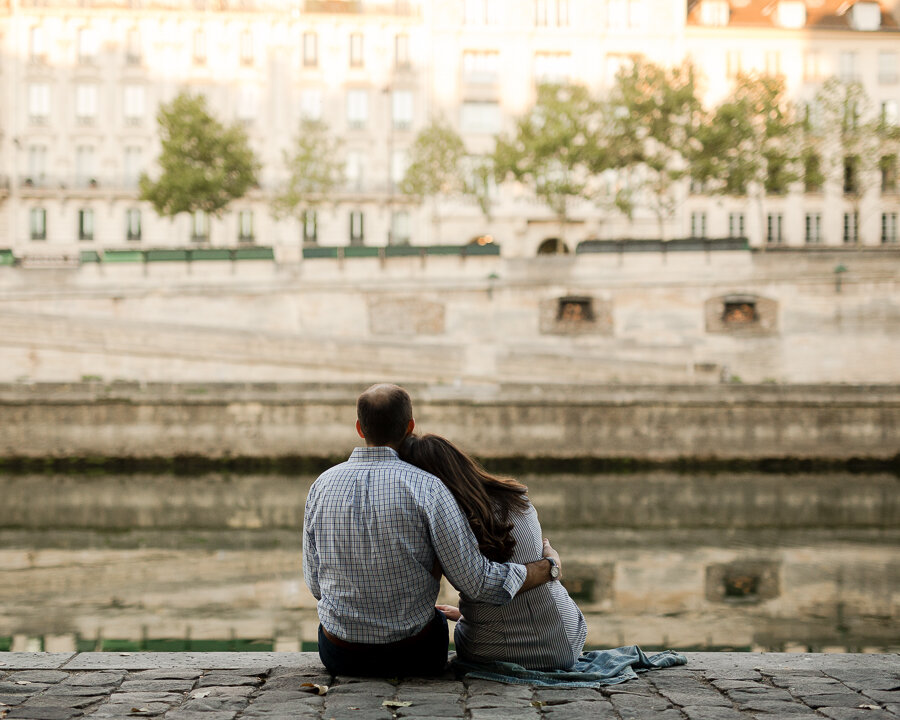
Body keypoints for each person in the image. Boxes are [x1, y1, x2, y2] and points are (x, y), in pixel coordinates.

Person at [302, 383, 562, 678]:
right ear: (409, 426)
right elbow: (476, 581)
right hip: (413, 655)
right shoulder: (428, 488)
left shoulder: (321, 485)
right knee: (433, 619)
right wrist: (545, 568)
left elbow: (315, 585)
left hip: (340, 655)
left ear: (360, 429)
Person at [399, 433, 587, 670]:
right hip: (569, 637)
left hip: (496, 651)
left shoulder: (449, 518)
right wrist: (551, 566)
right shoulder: (516, 496)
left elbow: (478, 583)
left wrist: (548, 568)